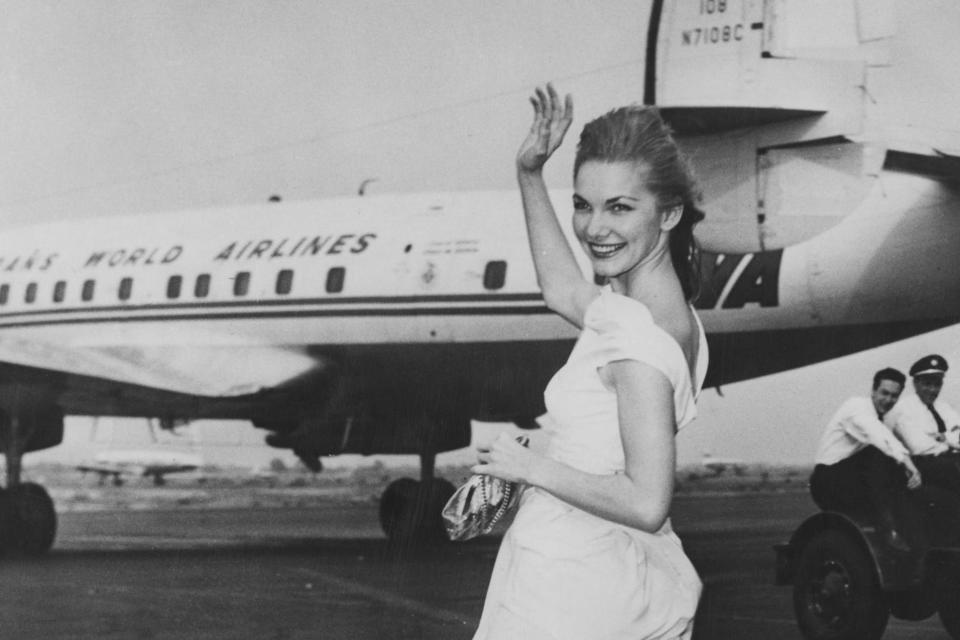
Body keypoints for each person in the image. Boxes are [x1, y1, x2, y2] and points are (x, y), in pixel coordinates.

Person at [471, 84, 708, 639]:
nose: (594, 228)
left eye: (620, 208)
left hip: (573, 586)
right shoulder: (654, 315)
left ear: (669, 214)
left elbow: (648, 500)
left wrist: (529, 468)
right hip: (605, 568)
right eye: (583, 204)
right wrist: (530, 173)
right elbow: (561, 287)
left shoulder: (637, 337)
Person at [809, 368, 922, 550]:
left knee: (897, 473)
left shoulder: (883, 417)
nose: (888, 400)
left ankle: (910, 537)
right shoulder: (856, 407)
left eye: (894, 396)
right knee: (878, 454)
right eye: (884, 393)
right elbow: (876, 433)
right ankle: (888, 529)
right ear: (873, 391)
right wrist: (906, 461)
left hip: (851, 481)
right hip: (828, 480)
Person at [887, 355, 960, 493]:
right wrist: (951, 439)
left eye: (937, 384)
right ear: (916, 383)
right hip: (925, 466)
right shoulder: (903, 410)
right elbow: (920, 447)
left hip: (950, 461)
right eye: (927, 384)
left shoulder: (944, 407)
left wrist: (944, 438)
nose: (933, 390)